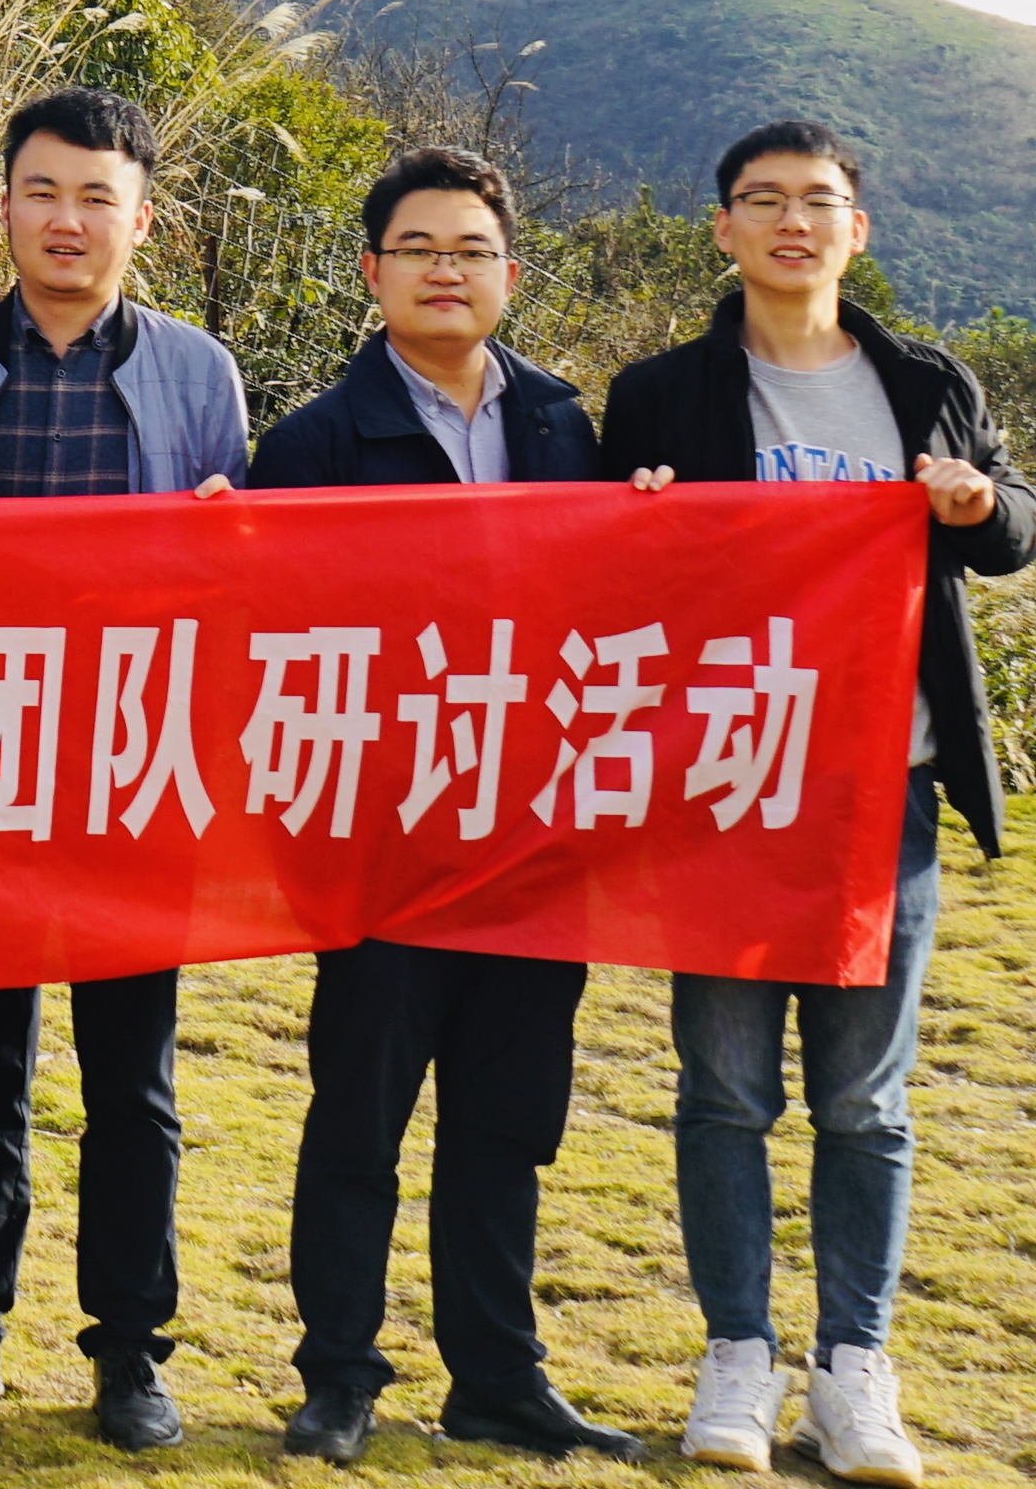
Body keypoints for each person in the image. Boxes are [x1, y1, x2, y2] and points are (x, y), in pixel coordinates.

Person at [598, 120, 1034, 1486]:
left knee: (865, 1099)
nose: (794, 222)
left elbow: (1016, 531)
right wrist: (636, 511)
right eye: (765, 199)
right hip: (726, 786)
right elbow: (605, 572)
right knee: (725, 1087)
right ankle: (737, 1352)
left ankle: (855, 1367)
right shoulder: (662, 391)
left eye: (820, 201)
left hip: (881, 787)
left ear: (859, 230)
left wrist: (977, 501)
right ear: (723, 227)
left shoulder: (924, 381)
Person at [248, 146, 636, 1466]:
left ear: (510, 273)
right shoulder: (313, 443)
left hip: (532, 840)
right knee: (357, 1120)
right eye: (417, 248)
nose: (445, 271)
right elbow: (270, 637)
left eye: (470, 250)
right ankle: (338, 1375)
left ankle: (497, 1376)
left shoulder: (568, 430)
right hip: (384, 843)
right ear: (372, 271)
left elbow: (619, 605)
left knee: (504, 1122)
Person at [0, 86, 248, 1450]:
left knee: (131, 1077)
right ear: (5, 206)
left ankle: (131, 1347)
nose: (68, 220)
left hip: (135, 761)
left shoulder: (199, 372)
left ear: (141, 221)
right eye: (43, 191)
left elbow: (238, 577)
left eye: (99, 197)